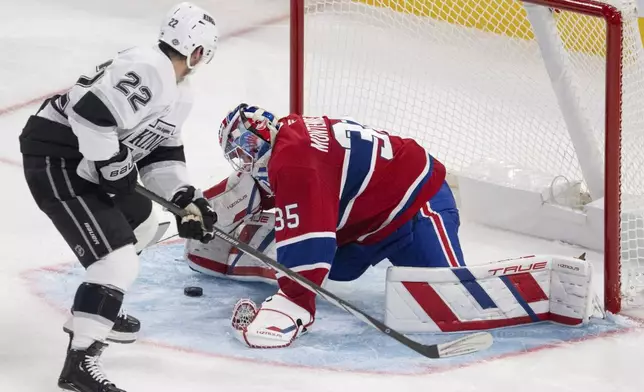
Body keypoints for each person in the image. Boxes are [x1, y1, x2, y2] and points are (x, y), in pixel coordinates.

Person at [19, 3, 218, 391]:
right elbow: (90, 112)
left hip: (83, 162)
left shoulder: (178, 91)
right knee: (117, 262)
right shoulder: (151, 68)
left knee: (144, 221)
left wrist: (184, 197)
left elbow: (160, 152)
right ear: (199, 52)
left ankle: (95, 310)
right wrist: (112, 161)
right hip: (57, 158)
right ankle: (80, 365)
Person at [198, 103, 464, 348]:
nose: (245, 160)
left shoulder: (294, 159)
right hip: (375, 219)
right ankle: (268, 251)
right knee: (337, 266)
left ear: (260, 136)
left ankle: (271, 251)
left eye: (245, 148)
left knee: (452, 302)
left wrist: (294, 299)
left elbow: (312, 238)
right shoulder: (290, 137)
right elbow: (258, 187)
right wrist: (202, 207)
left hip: (419, 199)